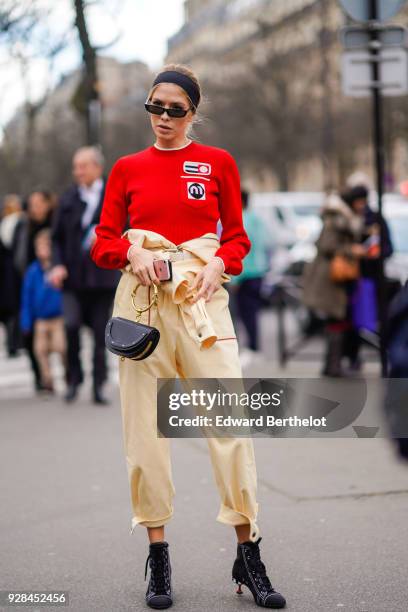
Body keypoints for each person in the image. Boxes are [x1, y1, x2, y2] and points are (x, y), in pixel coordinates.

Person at [91, 64, 286, 610]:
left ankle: (248, 554)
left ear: (193, 112)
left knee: (228, 428)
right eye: (155, 107)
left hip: (202, 307)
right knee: (146, 436)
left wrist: (219, 265)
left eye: (175, 109)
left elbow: (240, 237)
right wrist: (135, 252)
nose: (163, 118)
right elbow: (103, 241)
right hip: (143, 309)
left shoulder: (218, 162)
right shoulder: (127, 168)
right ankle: (158, 556)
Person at [48, 147, 120, 405]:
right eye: (76, 166)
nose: (77, 171)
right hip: (73, 280)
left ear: (97, 168)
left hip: (102, 280)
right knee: (70, 326)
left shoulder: (114, 197)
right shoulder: (68, 199)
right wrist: (56, 265)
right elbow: (55, 239)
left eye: (83, 166)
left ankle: (98, 384)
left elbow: (127, 231)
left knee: (101, 334)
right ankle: (74, 379)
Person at [302, 193, 364, 377]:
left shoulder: (339, 220)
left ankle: (332, 364)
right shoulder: (337, 221)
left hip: (333, 278)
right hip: (331, 278)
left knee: (337, 320)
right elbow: (327, 246)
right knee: (336, 319)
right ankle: (333, 365)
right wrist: (350, 250)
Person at [341, 185, 393, 371]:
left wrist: (374, 253)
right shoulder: (348, 220)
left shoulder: (375, 219)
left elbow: (388, 248)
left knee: (375, 321)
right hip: (352, 278)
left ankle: (382, 356)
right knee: (353, 322)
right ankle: (353, 357)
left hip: (372, 277)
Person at [20, 229, 66, 394]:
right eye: (39, 247)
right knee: (40, 350)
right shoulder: (33, 271)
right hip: (40, 319)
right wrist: (26, 320)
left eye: (46, 246)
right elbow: (26, 297)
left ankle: (68, 372)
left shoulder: (58, 268)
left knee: (61, 347)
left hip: (57, 317)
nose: (43, 251)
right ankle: (47, 380)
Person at [229, 190, 272, 368]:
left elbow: (241, 252)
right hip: (259, 273)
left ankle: (250, 348)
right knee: (253, 312)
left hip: (244, 274)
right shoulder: (257, 219)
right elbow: (268, 245)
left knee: (242, 313)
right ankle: (254, 347)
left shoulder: (240, 221)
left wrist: (235, 279)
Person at [0, 194, 24, 358]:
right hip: (10, 271)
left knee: (11, 309)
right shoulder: (14, 222)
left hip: (9, 271)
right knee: (13, 309)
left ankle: (13, 342)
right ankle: (14, 342)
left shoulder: (11, 222)